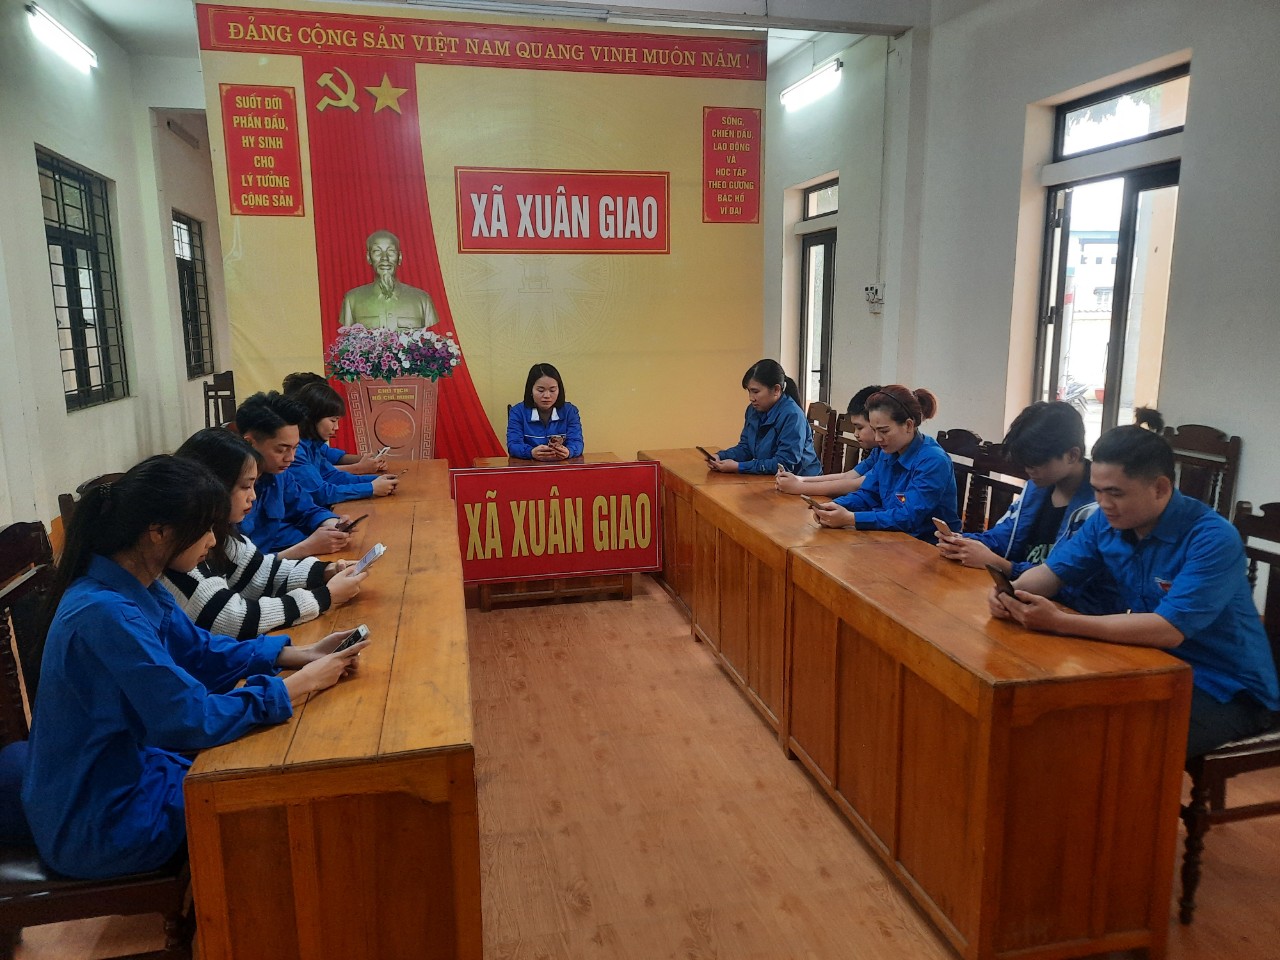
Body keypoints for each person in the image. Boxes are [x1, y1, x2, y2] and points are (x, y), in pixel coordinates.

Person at [21, 456, 366, 879]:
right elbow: (188, 718)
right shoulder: (106, 613)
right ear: (158, 531)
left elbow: (200, 651)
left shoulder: (133, 584)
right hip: (103, 819)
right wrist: (297, 686)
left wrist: (299, 655)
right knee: (280, 804)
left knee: (276, 776)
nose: (213, 541)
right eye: (205, 528)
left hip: (132, 775)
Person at [988, 425, 1279, 759]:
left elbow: (1167, 629)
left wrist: (1059, 622)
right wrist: (1009, 591)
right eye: (1097, 491)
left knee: (1114, 744)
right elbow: (1052, 574)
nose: (1104, 503)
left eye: (1115, 493)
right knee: (1052, 712)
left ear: (1160, 488)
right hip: (1152, 662)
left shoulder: (1211, 538)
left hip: (1229, 690)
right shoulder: (1105, 521)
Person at [163, 428, 368, 639]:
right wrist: (325, 596)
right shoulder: (184, 549)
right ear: (215, 485)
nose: (252, 496)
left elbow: (260, 571)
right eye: (245, 486)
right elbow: (231, 619)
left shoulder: (221, 531)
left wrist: (326, 571)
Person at [937, 401, 1121, 614]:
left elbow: (1073, 584)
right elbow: (1004, 535)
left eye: (1036, 463)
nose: (1028, 470)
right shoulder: (1036, 488)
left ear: (1072, 455)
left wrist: (1003, 566)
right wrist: (964, 542)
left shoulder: (1101, 508)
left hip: (1072, 613)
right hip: (1023, 597)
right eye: (1025, 462)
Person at [811, 385, 959, 541]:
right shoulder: (888, 452)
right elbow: (868, 494)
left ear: (909, 425)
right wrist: (835, 506)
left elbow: (909, 516)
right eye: (874, 430)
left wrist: (851, 519)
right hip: (890, 536)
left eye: (884, 431)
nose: (877, 438)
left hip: (928, 545)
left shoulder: (933, 461)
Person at [235, 391, 352, 559]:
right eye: (281, 450)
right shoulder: (228, 487)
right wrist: (307, 547)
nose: (291, 458)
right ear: (249, 443)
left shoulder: (279, 474)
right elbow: (241, 567)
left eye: (295, 448)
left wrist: (333, 524)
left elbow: (305, 508)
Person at [291, 381, 398, 505]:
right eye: (333, 421)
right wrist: (371, 488)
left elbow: (332, 476)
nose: (336, 427)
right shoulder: (296, 450)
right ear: (312, 418)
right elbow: (320, 494)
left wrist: (377, 480)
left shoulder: (313, 445)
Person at [708, 360, 821, 476]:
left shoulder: (793, 416)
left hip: (802, 482)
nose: (751, 398)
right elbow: (745, 448)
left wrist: (739, 467)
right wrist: (720, 456)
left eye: (755, 392)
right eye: (749, 391)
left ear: (776, 390)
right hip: (772, 479)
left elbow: (783, 464)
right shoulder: (752, 410)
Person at [777, 384, 883, 496]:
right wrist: (800, 479)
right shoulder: (878, 452)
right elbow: (847, 476)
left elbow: (855, 484)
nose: (855, 434)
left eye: (860, 428)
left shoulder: (886, 453)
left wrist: (799, 487)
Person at [283, 371, 386, 475]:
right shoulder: (294, 444)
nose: (336, 427)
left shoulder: (312, 441)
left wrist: (371, 460)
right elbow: (319, 474)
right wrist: (359, 468)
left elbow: (330, 459)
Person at [338, 230, 439, 330]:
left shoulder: (422, 299)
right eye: (377, 251)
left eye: (391, 251)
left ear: (399, 257)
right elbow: (346, 337)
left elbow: (432, 335)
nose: (384, 258)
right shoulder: (352, 300)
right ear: (368, 257)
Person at [506, 363, 584, 461]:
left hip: (561, 465)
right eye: (540, 390)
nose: (547, 395)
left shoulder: (570, 411)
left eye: (552, 390)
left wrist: (569, 451)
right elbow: (513, 445)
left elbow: (577, 442)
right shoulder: (518, 412)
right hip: (529, 465)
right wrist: (531, 452)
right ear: (531, 390)